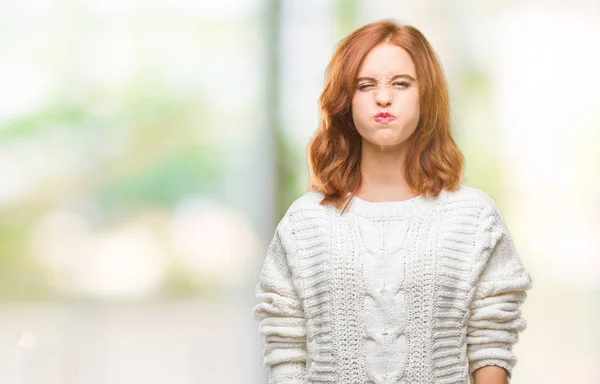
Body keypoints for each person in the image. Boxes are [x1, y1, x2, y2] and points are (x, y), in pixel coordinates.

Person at [252, 19, 533, 384]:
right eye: (366, 85)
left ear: (425, 95)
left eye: (401, 83)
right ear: (345, 101)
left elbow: (491, 340)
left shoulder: (474, 218)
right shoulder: (305, 222)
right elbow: (286, 349)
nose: (383, 97)